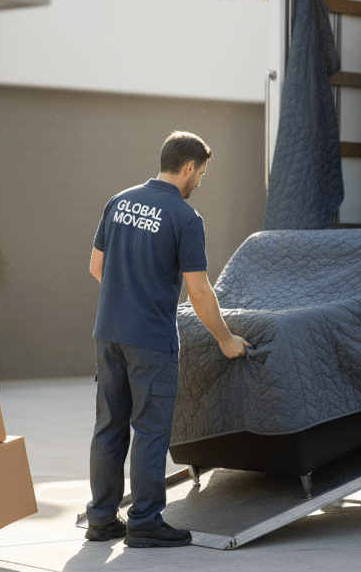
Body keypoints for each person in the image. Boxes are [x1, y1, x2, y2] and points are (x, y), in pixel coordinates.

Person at [85, 131, 250, 548]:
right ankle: (144, 522)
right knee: (151, 431)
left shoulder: (118, 201)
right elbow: (198, 292)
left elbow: (96, 266)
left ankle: (102, 520)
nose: (200, 183)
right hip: (151, 340)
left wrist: (126, 297)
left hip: (108, 333)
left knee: (109, 426)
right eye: (202, 174)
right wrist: (225, 338)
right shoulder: (184, 218)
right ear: (189, 167)